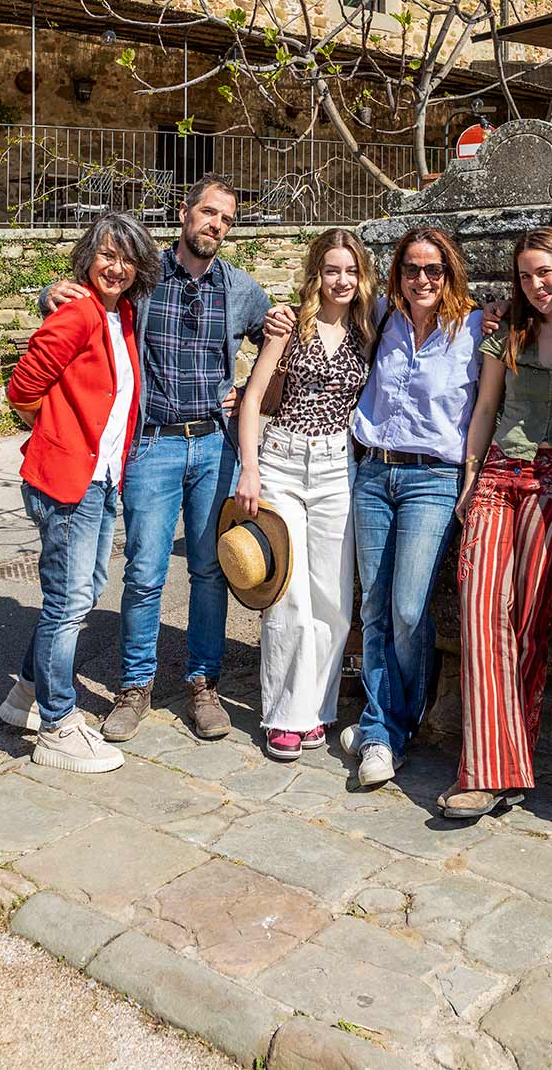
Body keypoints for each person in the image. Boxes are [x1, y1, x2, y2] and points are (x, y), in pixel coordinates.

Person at [39, 175, 270, 743]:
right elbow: (85, 299)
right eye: (209, 213)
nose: (216, 225)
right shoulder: (143, 278)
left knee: (209, 570)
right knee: (144, 571)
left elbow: (280, 339)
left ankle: (202, 683)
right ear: (185, 214)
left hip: (214, 444)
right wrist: (49, 293)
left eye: (227, 219)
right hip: (153, 445)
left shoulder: (241, 289)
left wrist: (254, 392)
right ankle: (134, 686)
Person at [0, 212, 159, 773]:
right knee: (69, 604)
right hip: (69, 481)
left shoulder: (124, 314)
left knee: (82, 590)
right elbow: (23, 387)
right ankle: (58, 725)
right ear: (88, 258)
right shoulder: (78, 312)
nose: (116, 267)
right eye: (106, 255)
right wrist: (56, 435)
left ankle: (24, 695)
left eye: (127, 258)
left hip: (102, 478)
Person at [439, 227, 552, 819]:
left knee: (528, 624)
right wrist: (470, 479)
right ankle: (482, 769)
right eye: (525, 275)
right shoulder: (507, 329)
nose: (536, 285)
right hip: (500, 474)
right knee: (480, 611)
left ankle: (508, 765)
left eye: (546, 272)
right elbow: (485, 407)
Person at [343, 226, 482, 787]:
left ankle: (394, 721)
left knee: (406, 608)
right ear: (396, 274)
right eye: (410, 269)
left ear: (450, 273)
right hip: (373, 470)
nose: (421, 279)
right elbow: (317, 297)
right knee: (373, 606)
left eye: (433, 270)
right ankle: (384, 730)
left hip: (434, 479)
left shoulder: (476, 326)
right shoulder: (380, 317)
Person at [235, 229, 377, 760]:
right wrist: (249, 469)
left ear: (360, 276)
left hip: (339, 466)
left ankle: (317, 710)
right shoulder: (289, 325)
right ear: (316, 273)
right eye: (331, 270)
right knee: (288, 593)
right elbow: (252, 402)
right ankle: (284, 716)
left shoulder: (370, 327)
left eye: (349, 271)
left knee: (334, 597)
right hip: (283, 463)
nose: (340, 281)